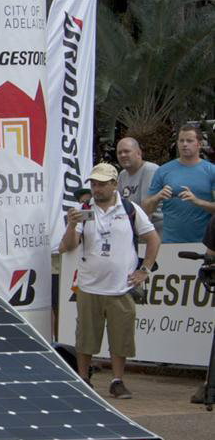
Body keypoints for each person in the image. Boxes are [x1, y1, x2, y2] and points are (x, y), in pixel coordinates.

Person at [59, 162, 160, 399]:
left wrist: (144, 270)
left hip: (121, 287)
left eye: (102, 184)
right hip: (90, 285)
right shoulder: (83, 209)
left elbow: (153, 238)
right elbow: (68, 246)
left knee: (121, 337)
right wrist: (72, 224)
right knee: (85, 336)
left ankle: (117, 380)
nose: (97, 188)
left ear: (115, 184)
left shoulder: (129, 209)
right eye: (94, 184)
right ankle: (83, 379)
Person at [144, 124, 215, 243]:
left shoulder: (211, 171)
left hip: (205, 242)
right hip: (170, 242)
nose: (185, 144)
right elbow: (146, 209)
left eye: (189, 140)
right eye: (181, 140)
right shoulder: (163, 171)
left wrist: (197, 201)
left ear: (199, 143)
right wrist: (157, 197)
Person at [116, 137, 161, 234]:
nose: (123, 155)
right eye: (119, 153)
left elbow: (146, 209)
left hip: (154, 230)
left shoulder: (150, 170)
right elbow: (119, 205)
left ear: (138, 153)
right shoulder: (122, 175)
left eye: (127, 151)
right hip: (133, 227)